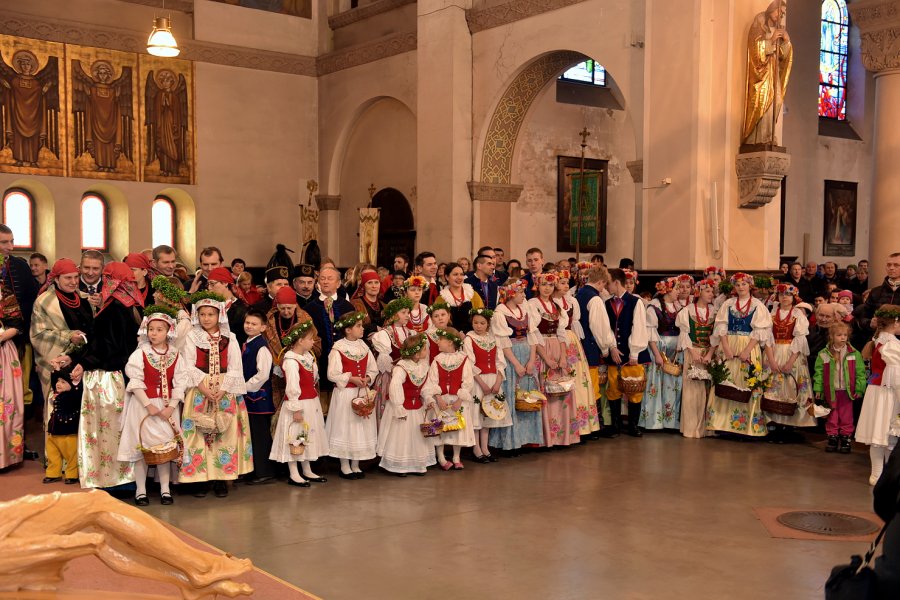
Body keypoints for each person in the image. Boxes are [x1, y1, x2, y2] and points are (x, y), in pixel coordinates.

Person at [179, 291, 253, 498]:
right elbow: (188, 364)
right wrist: (203, 388)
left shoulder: (231, 338)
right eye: (202, 314)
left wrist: (222, 390)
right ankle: (200, 479)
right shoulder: (192, 337)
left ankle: (221, 479)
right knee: (198, 433)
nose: (206, 318)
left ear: (219, 315)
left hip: (224, 390)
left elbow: (236, 367)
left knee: (223, 434)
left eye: (211, 314)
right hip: (199, 389)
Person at [118, 305, 188, 505]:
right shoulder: (140, 353)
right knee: (143, 448)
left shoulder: (175, 354)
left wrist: (171, 407)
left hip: (167, 409)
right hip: (144, 407)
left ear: (168, 331)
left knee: (164, 448)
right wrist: (148, 405)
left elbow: (181, 381)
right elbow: (136, 380)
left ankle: (165, 489)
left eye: (159, 329)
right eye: (151, 329)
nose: (154, 333)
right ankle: (141, 490)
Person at [706, 272, 772, 438]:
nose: (741, 287)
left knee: (747, 381)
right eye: (738, 285)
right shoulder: (728, 304)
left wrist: (747, 351)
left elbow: (759, 331)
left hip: (748, 346)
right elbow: (721, 327)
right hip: (729, 344)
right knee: (725, 380)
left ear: (750, 285)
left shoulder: (758, 305)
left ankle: (747, 427)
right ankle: (723, 424)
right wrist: (726, 348)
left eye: (744, 284)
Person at [271, 320, 329, 487]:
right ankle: (294, 472)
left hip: (311, 402)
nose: (313, 342)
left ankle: (307, 469)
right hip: (299, 404)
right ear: (300, 340)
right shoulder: (291, 361)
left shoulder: (307, 357)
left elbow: (313, 379)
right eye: (311, 338)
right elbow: (292, 386)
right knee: (296, 436)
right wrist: (296, 409)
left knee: (307, 435)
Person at [489, 279, 543, 453]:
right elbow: (502, 342)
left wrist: (531, 360)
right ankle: (510, 442)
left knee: (527, 396)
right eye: (520, 292)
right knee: (512, 396)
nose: (523, 295)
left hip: (526, 354)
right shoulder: (500, 312)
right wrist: (517, 364)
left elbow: (532, 336)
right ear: (511, 293)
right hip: (511, 356)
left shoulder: (525, 309)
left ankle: (527, 438)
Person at [30, 259, 92, 405]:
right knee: (60, 407)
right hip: (57, 360)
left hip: (83, 359)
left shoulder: (84, 298)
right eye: (68, 278)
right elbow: (38, 335)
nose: (74, 282)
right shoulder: (43, 302)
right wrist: (68, 336)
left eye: (76, 277)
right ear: (56, 279)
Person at [529, 272, 579, 447]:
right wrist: (546, 358)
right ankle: (545, 439)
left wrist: (563, 357)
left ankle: (561, 437)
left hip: (557, 348)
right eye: (544, 285)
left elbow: (562, 333)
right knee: (545, 392)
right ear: (537, 286)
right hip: (541, 349)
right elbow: (533, 334)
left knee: (561, 392)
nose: (547, 288)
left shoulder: (557, 305)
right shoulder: (533, 304)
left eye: (550, 285)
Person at [325, 311, 378, 480]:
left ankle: (356, 464)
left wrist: (368, 378)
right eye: (358, 326)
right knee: (345, 427)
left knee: (359, 427)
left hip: (361, 392)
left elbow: (373, 368)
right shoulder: (338, 348)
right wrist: (351, 378)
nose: (362, 328)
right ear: (348, 330)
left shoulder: (363, 346)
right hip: (345, 394)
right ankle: (344, 465)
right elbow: (332, 374)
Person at [764, 283, 817, 440]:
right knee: (773, 387)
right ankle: (773, 422)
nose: (784, 297)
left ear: (794, 297)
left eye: (788, 294)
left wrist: (790, 362)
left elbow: (799, 340)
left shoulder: (798, 315)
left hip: (791, 354)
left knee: (792, 386)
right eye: (781, 294)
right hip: (773, 351)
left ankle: (790, 424)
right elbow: (767, 338)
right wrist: (771, 360)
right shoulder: (770, 314)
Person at [377, 334, 435, 476]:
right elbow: (395, 386)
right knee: (401, 436)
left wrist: (428, 399)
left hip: (417, 408)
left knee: (416, 436)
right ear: (415, 353)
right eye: (423, 349)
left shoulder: (423, 366)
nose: (426, 351)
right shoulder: (401, 367)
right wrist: (398, 406)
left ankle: (417, 464)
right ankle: (399, 465)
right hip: (403, 406)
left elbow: (426, 386)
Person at [855, 305, 900, 484]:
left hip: (877, 390)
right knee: (886, 433)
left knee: (879, 434)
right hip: (888, 393)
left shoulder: (879, 340)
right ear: (896, 322)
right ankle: (882, 474)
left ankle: (879, 474)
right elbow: (896, 377)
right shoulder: (891, 344)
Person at [604, 268, 651, 437]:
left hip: (631, 353)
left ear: (616, 282)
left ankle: (633, 425)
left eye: (608, 282)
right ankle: (615, 425)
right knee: (613, 387)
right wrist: (611, 347)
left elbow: (638, 326)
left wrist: (635, 353)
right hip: (615, 353)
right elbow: (607, 328)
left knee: (634, 389)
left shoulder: (634, 302)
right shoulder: (607, 303)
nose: (606, 286)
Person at [554, 270, 601, 438]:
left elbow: (575, 325)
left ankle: (581, 426)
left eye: (567, 282)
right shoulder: (551, 302)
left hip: (571, 341)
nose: (566, 286)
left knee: (579, 382)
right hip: (556, 342)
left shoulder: (572, 301)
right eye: (562, 282)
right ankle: (563, 427)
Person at [305, 265, 354, 414]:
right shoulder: (309, 308)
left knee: (341, 407)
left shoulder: (347, 306)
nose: (325, 282)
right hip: (319, 362)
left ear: (338, 283)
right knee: (320, 407)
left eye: (330, 278)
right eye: (322, 278)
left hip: (344, 364)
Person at [423, 327, 474, 470]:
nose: (438, 342)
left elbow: (468, 382)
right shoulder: (437, 360)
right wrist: (438, 398)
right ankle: (441, 457)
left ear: (450, 342)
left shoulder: (463, 359)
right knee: (440, 427)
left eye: (441, 340)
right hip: (442, 400)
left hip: (457, 400)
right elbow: (433, 381)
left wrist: (460, 400)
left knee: (456, 427)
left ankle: (456, 456)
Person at [813, 321, 866, 456]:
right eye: (839, 335)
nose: (842, 337)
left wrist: (859, 389)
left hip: (847, 391)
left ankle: (846, 438)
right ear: (832, 336)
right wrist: (818, 389)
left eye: (845, 335)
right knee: (832, 415)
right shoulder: (824, 354)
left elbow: (860, 373)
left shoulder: (854, 353)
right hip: (831, 391)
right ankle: (832, 437)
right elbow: (818, 373)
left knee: (846, 416)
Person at [676, 278, 717, 439]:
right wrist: (693, 353)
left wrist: (709, 354)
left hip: (708, 355)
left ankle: (706, 427)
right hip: (692, 352)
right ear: (699, 292)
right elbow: (684, 333)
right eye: (708, 291)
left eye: (712, 291)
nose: (711, 294)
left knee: (707, 390)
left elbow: (716, 336)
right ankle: (691, 428)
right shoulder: (687, 311)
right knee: (692, 391)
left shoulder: (715, 311)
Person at [641, 278, 683, 432]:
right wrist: (657, 354)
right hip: (659, 350)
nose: (679, 291)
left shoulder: (678, 306)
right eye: (676, 288)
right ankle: (654, 421)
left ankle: (670, 421)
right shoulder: (654, 306)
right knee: (656, 385)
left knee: (673, 386)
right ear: (667, 291)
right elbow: (650, 333)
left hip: (674, 352)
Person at [464, 308, 506, 462]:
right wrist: (481, 383)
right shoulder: (469, 338)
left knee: (488, 414)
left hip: (493, 380)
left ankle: (485, 448)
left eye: (482, 323)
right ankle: (476, 449)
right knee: (476, 414)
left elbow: (500, 362)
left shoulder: (494, 339)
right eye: (475, 323)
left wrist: (498, 382)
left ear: (488, 324)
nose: (478, 326)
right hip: (478, 382)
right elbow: (470, 363)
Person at [241, 309, 275, 485]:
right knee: (251, 435)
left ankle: (264, 471)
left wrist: (243, 387)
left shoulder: (261, 347)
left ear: (263, 327)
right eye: (247, 323)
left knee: (260, 436)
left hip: (259, 400)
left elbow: (262, 375)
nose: (249, 326)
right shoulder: (247, 343)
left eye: (254, 324)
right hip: (250, 399)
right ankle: (253, 469)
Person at [371, 298, 415, 426]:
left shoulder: (410, 333)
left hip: (407, 377)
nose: (407, 315)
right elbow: (385, 364)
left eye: (408, 312)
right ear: (394, 314)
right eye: (403, 312)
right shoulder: (385, 334)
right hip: (390, 377)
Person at [0, 287, 25, 470]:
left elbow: (17, 324)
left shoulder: (5, 293)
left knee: (6, 404)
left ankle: (4, 457)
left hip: (3, 351)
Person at [43, 368, 81, 484]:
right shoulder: (56, 394)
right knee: (52, 455)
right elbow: (54, 376)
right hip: (53, 431)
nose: (58, 384)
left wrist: (75, 381)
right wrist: (56, 369)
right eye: (58, 381)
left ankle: (72, 474)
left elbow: (77, 388)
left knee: (72, 455)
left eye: (63, 382)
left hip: (68, 432)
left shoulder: (74, 395)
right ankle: (53, 473)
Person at [855, 253, 900, 331]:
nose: (891, 268)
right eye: (889, 265)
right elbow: (863, 318)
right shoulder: (876, 291)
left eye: (896, 265)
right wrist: (870, 323)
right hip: (878, 336)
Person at [206, 267, 249, 346]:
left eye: (212, 284)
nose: (209, 288)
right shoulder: (211, 306)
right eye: (208, 284)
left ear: (225, 283)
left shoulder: (241, 309)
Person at [441, 262, 484, 332]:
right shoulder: (442, 298)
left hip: (472, 335)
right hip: (449, 337)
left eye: (461, 274)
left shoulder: (473, 294)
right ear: (447, 277)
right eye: (455, 274)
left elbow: (482, 317)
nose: (459, 277)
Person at [351, 270, 384, 342]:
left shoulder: (384, 305)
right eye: (369, 283)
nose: (374, 286)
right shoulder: (355, 304)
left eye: (376, 282)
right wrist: (373, 328)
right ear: (363, 286)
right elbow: (352, 328)